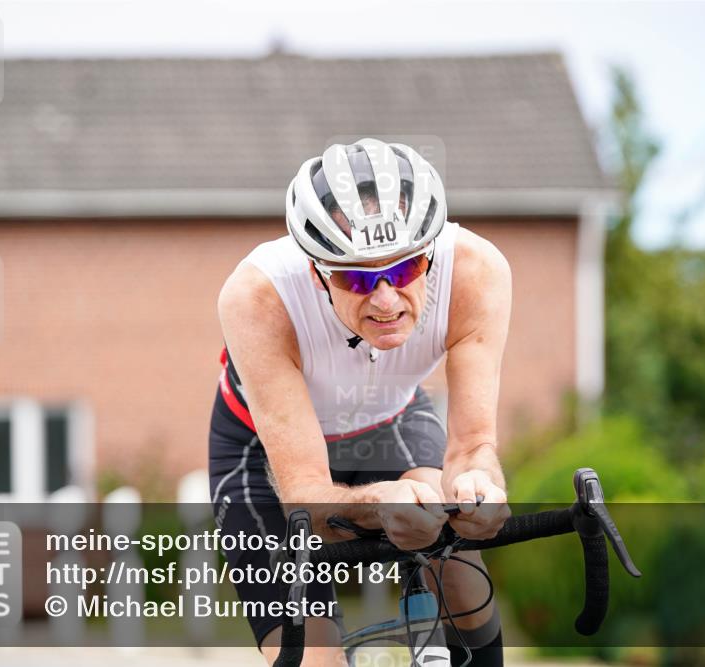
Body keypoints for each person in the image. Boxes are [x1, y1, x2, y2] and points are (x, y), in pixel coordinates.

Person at [209, 138, 512, 665]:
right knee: (313, 655)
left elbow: (473, 447)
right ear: (317, 274)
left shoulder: (474, 272)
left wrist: (480, 488)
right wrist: (379, 505)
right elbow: (308, 500)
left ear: (430, 256)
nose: (387, 300)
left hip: (391, 415)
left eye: (405, 270)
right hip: (261, 451)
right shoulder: (257, 298)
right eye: (357, 278)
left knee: (462, 572)